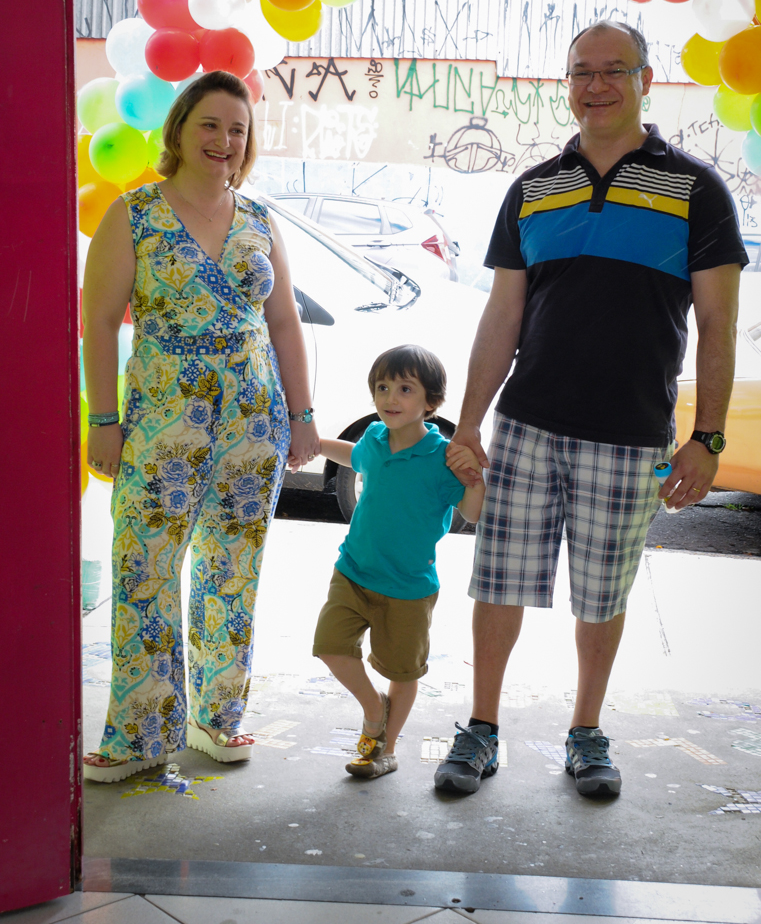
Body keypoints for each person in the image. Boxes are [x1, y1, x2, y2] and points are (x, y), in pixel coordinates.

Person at [435, 21, 748, 798]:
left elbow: (718, 326)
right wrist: (469, 420)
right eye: (581, 71)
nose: (596, 85)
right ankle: (480, 729)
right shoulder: (533, 188)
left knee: (603, 595)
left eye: (614, 70)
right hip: (526, 425)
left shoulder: (695, 189)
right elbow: (501, 318)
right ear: (566, 83)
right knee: (498, 583)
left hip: (630, 434)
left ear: (645, 80)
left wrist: (707, 438)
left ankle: (585, 732)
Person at [82, 70, 319, 782]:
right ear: (180, 130)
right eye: (210, 125)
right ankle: (139, 733)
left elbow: (285, 322)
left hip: (253, 421)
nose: (224, 140)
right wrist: (104, 420)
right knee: (144, 566)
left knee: (231, 568)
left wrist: (303, 416)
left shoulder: (260, 219)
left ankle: (217, 717)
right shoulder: (135, 214)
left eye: (237, 130)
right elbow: (99, 322)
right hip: (160, 421)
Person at [309, 345, 485, 780]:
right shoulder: (374, 438)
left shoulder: (442, 457)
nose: (390, 397)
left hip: (408, 588)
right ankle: (374, 709)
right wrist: (315, 445)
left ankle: (384, 750)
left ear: (431, 401)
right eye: (383, 387)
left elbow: (473, 512)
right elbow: (354, 456)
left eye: (405, 389)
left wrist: (475, 479)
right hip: (353, 571)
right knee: (330, 646)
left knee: (402, 672)